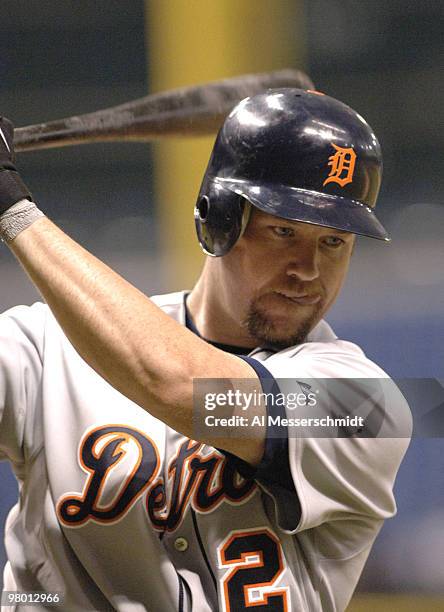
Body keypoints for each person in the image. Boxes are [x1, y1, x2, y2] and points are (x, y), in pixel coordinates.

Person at [0, 89, 411, 611]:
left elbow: (179, 385)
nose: (307, 270)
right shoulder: (43, 347)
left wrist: (12, 207)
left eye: (333, 242)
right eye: (284, 231)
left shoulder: (368, 407)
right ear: (217, 220)